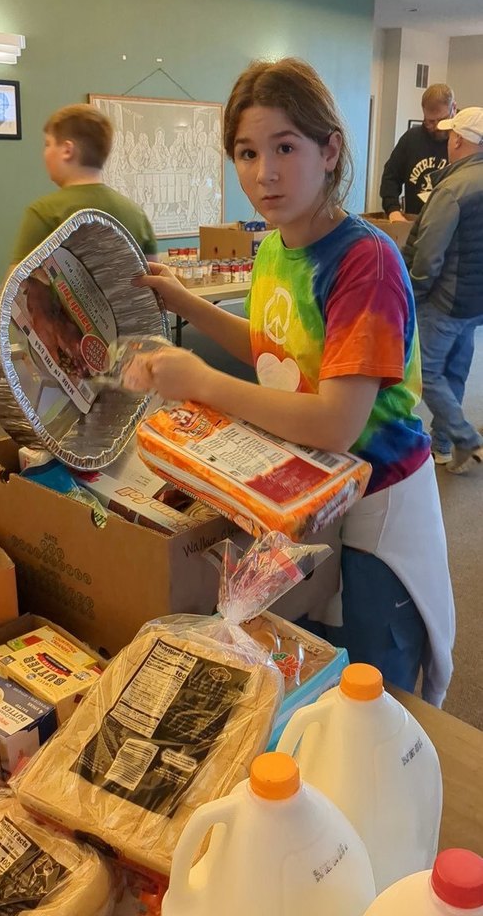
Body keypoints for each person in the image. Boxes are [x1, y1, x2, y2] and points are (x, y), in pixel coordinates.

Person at [136, 58, 454, 706]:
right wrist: (187, 306)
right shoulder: (278, 245)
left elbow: (337, 418)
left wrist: (201, 380)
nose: (264, 173)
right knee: (309, 663)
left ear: (328, 149)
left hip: (376, 497)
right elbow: (270, 348)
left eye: (284, 147)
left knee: (375, 683)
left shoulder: (364, 260)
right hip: (308, 487)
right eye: (247, 153)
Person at [403, 106, 483, 473]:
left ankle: (464, 437)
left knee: (426, 372)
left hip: (445, 300)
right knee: (456, 369)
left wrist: (413, 294)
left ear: (458, 140)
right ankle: (443, 446)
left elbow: (429, 254)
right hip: (475, 302)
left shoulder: (453, 188)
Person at [10, 104, 158, 266]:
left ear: (67, 150)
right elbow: (153, 284)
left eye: (48, 144)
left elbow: (15, 289)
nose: (44, 153)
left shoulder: (44, 213)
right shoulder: (137, 215)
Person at [380, 84, 456, 221]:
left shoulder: (463, 142)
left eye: (442, 120)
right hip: (415, 222)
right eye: (430, 121)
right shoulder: (411, 139)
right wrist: (393, 211)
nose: (436, 127)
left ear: (453, 109)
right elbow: (390, 178)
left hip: (451, 225)